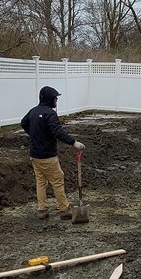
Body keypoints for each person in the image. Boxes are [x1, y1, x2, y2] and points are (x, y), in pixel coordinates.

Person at [21, 86, 84, 220]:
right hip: (48, 156)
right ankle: (65, 209)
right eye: (55, 98)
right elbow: (58, 132)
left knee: (41, 182)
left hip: (34, 155)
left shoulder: (33, 111)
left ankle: (42, 210)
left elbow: (23, 123)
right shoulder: (50, 114)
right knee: (58, 180)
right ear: (50, 99)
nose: (56, 101)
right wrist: (74, 142)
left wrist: (34, 134)